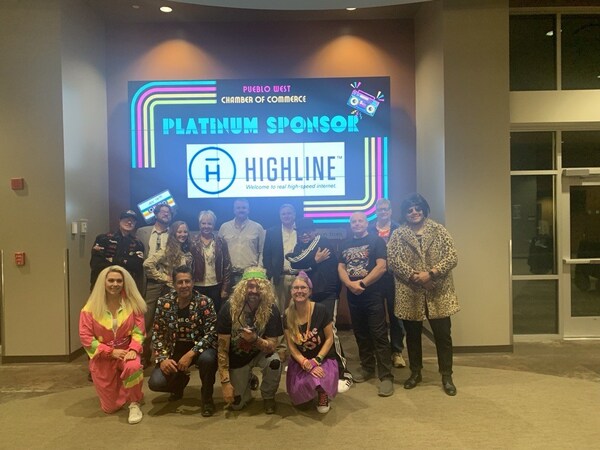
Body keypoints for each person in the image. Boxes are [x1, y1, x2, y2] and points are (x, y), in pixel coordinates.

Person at [387, 193, 459, 396]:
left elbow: (452, 256)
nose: (414, 213)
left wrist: (431, 274)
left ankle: (446, 375)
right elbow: (393, 259)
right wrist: (414, 276)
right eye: (409, 210)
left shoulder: (439, 230)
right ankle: (415, 373)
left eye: (418, 208)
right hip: (410, 292)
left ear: (424, 210)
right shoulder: (398, 234)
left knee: (443, 336)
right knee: (412, 336)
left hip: (438, 291)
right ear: (405, 214)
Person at [285, 218, 353, 393]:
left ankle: (344, 373)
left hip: (328, 295)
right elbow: (295, 267)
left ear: (315, 232)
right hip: (311, 297)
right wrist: (313, 262)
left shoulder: (321, 241)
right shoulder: (301, 248)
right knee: (308, 333)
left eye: (308, 231)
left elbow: (293, 260)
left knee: (332, 333)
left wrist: (305, 262)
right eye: (301, 232)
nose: (305, 234)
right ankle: (308, 363)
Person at [79, 265, 147, 424]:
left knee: (133, 367)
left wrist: (134, 349)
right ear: (103, 282)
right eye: (111, 280)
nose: (115, 284)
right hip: (103, 357)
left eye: (119, 281)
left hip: (127, 351)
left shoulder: (133, 305)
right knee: (110, 408)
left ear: (124, 283)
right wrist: (110, 351)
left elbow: (139, 331)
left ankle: (134, 401)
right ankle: (126, 390)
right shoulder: (89, 309)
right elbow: (86, 337)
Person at [148, 266, 218, 416]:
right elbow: (157, 333)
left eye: (187, 281)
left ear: (193, 283)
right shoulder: (163, 302)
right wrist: (162, 359)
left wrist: (191, 354)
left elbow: (211, 333)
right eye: (180, 282)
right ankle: (179, 383)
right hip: (173, 349)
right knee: (155, 383)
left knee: (208, 359)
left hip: (199, 348)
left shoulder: (205, 302)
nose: (184, 285)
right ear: (174, 284)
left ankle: (207, 399)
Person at [338, 211, 394, 397]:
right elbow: (341, 267)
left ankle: (386, 377)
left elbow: (381, 266)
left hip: (372, 294)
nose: (357, 223)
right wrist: (349, 284)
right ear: (350, 224)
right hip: (353, 296)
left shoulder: (376, 241)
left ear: (365, 222)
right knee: (361, 334)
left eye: (360, 220)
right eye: (353, 221)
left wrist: (362, 283)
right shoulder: (345, 243)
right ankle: (367, 368)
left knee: (379, 335)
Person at [217, 267, 283, 414]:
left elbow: (272, 346)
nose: (253, 290)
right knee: (237, 405)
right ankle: (249, 378)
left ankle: (268, 396)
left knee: (275, 362)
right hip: (237, 357)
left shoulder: (271, 308)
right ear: (242, 287)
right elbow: (222, 349)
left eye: (258, 287)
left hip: (260, 353)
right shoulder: (228, 308)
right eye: (250, 286)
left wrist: (255, 339)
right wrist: (225, 382)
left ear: (265, 289)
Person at [284, 272, 338, 414]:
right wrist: (304, 362)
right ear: (291, 292)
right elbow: (291, 345)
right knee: (301, 403)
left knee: (320, 377)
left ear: (310, 291)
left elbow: (329, 338)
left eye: (303, 287)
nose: (299, 291)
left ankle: (322, 394)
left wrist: (316, 360)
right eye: (295, 288)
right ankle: (309, 389)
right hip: (301, 361)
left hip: (323, 358)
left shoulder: (321, 310)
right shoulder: (287, 315)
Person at [142, 221, 193, 365]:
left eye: (185, 232)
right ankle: (147, 357)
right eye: (179, 232)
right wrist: (164, 277)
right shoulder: (166, 249)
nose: (182, 235)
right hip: (166, 291)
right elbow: (148, 264)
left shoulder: (186, 250)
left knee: (175, 326)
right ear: (173, 233)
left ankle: (175, 357)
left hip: (180, 293)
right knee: (153, 325)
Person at [369, 198, 406, 369]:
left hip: (395, 279)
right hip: (374, 279)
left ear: (390, 211)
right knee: (376, 317)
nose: (383, 212)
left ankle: (396, 352)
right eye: (380, 210)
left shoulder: (400, 229)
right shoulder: (368, 229)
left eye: (386, 209)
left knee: (396, 316)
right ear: (375, 212)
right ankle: (380, 350)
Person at [90, 210, 145, 292]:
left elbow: (136, 266)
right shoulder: (104, 239)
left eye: (132, 220)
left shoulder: (138, 243)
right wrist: (125, 262)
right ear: (120, 220)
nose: (129, 222)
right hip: (102, 283)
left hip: (126, 285)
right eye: (126, 219)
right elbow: (96, 264)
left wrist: (114, 260)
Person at [190, 210, 232, 313]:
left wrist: (225, 288)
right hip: (197, 285)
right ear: (199, 224)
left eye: (209, 223)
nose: (206, 226)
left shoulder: (221, 242)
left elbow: (227, 265)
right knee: (197, 313)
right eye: (203, 223)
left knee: (214, 313)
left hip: (216, 285)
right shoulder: (192, 241)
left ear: (214, 225)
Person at [218, 199, 265, 286]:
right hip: (229, 276)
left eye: (244, 208)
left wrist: (259, 270)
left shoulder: (257, 228)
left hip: (250, 275)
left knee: (250, 299)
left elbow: (262, 251)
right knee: (230, 299)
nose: (241, 210)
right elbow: (218, 252)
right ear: (234, 210)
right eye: (238, 208)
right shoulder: (224, 227)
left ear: (248, 210)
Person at [263, 203, 297, 315]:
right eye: (283, 214)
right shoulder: (272, 232)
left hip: (298, 276)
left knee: (297, 307)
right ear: (280, 216)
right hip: (279, 276)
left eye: (289, 213)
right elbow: (266, 255)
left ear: (294, 215)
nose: (286, 216)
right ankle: (280, 332)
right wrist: (271, 273)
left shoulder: (301, 230)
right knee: (279, 309)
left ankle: (297, 331)